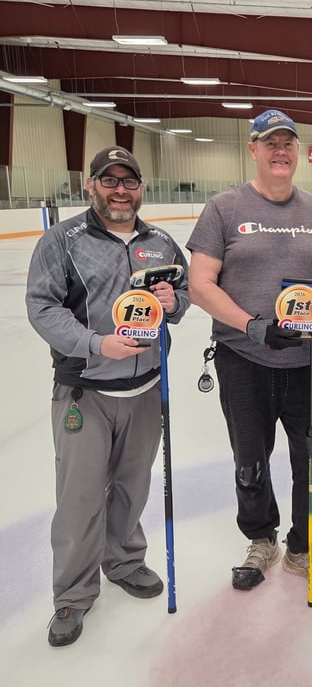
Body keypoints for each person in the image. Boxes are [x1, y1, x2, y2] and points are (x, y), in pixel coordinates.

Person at [25, 146, 190, 647]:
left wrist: (173, 301)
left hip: (145, 391)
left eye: (129, 181)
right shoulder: (62, 240)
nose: (121, 190)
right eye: (110, 180)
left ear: (141, 187)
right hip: (86, 392)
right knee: (78, 500)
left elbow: (181, 299)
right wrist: (97, 344)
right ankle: (73, 596)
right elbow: (42, 307)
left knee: (132, 487)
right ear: (91, 185)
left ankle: (123, 560)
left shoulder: (161, 242)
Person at [186, 109, 312, 594]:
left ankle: (303, 547)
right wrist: (254, 327)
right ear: (252, 150)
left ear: (297, 152)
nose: (280, 151)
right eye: (269, 143)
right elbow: (199, 285)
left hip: (306, 363)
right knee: (249, 461)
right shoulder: (224, 208)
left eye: (288, 143)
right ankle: (262, 539)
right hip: (243, 359)